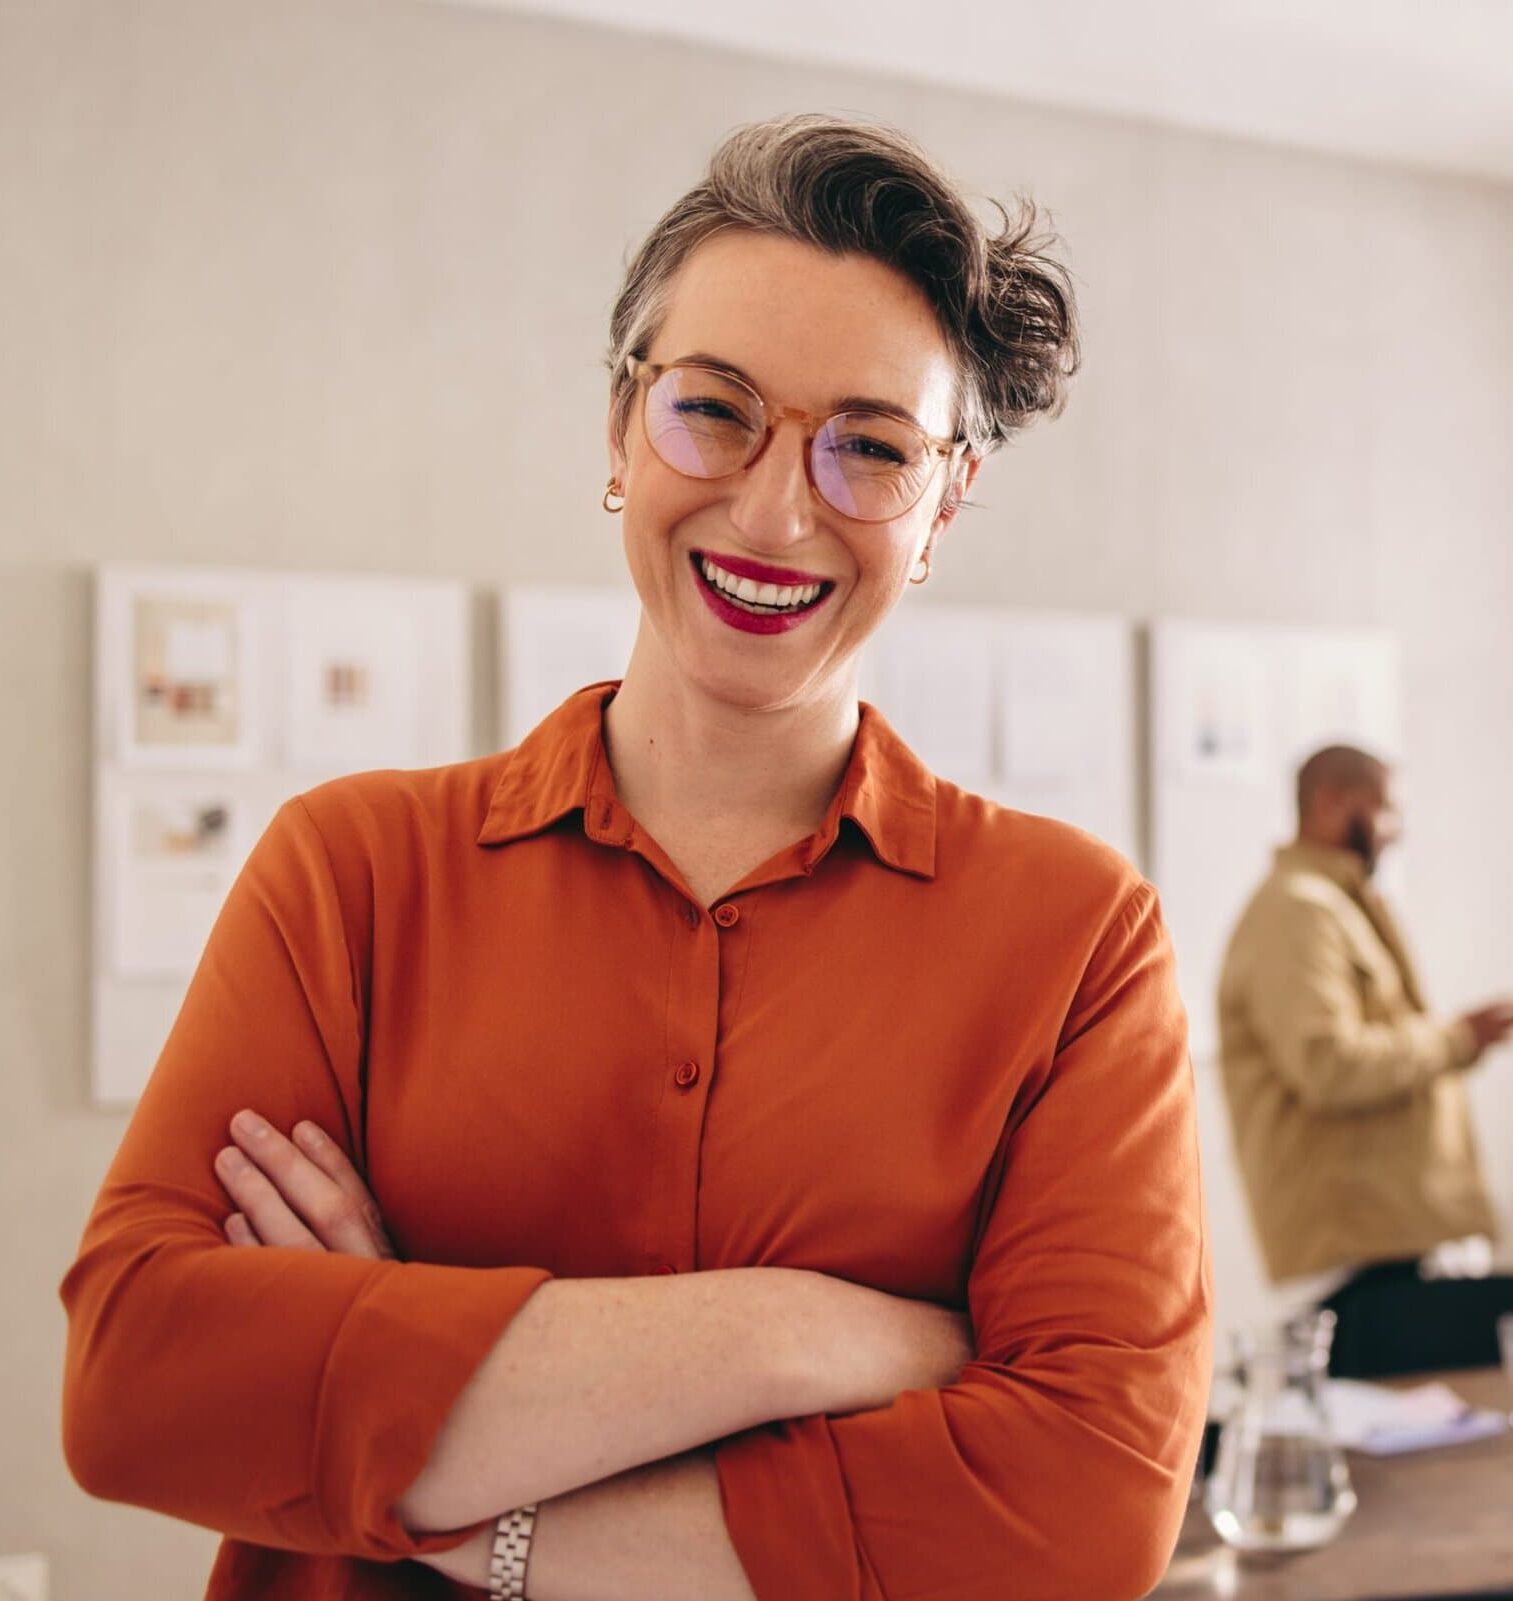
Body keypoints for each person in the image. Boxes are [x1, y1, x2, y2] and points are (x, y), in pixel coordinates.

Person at [61, 117, 1211, 1601]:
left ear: (943, 507)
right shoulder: (352, 872)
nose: (777, 509)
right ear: (621, 427)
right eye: (714, 411)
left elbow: (1082, 1511)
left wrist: (446, 1475)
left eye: (871, 446)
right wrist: (806, 1332)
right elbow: (140, 1385)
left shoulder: (1074, 937)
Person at [1217, 744, 1513, 1301]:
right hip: (1353, 1256)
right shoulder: (1298, 911)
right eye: (1386, 810)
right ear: (1331, 803)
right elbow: (1328, 1066)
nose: (1396, 831)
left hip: (1392, 1243)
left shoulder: (1335, 905)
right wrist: (1458, 1038)